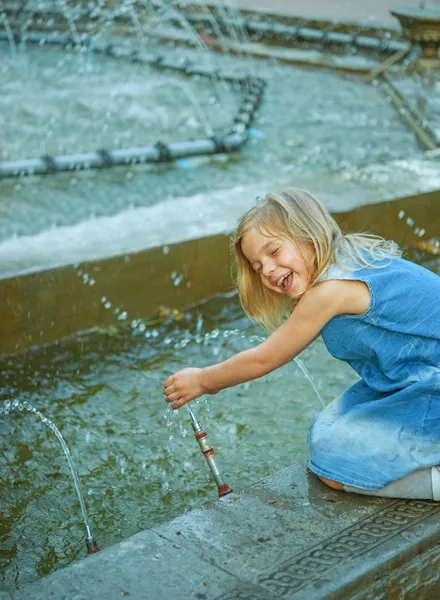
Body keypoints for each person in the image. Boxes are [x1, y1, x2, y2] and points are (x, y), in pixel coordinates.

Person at [164, 188, 440, 501]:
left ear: (309, 235)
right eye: (257, 266)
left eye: (274, 252)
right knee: (329, 428)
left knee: (333, 463)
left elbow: (263, 359)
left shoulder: (331, 292)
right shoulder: (352, 258)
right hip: (414, 379)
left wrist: (203, 380)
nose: (266, 269)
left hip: (431, 384)